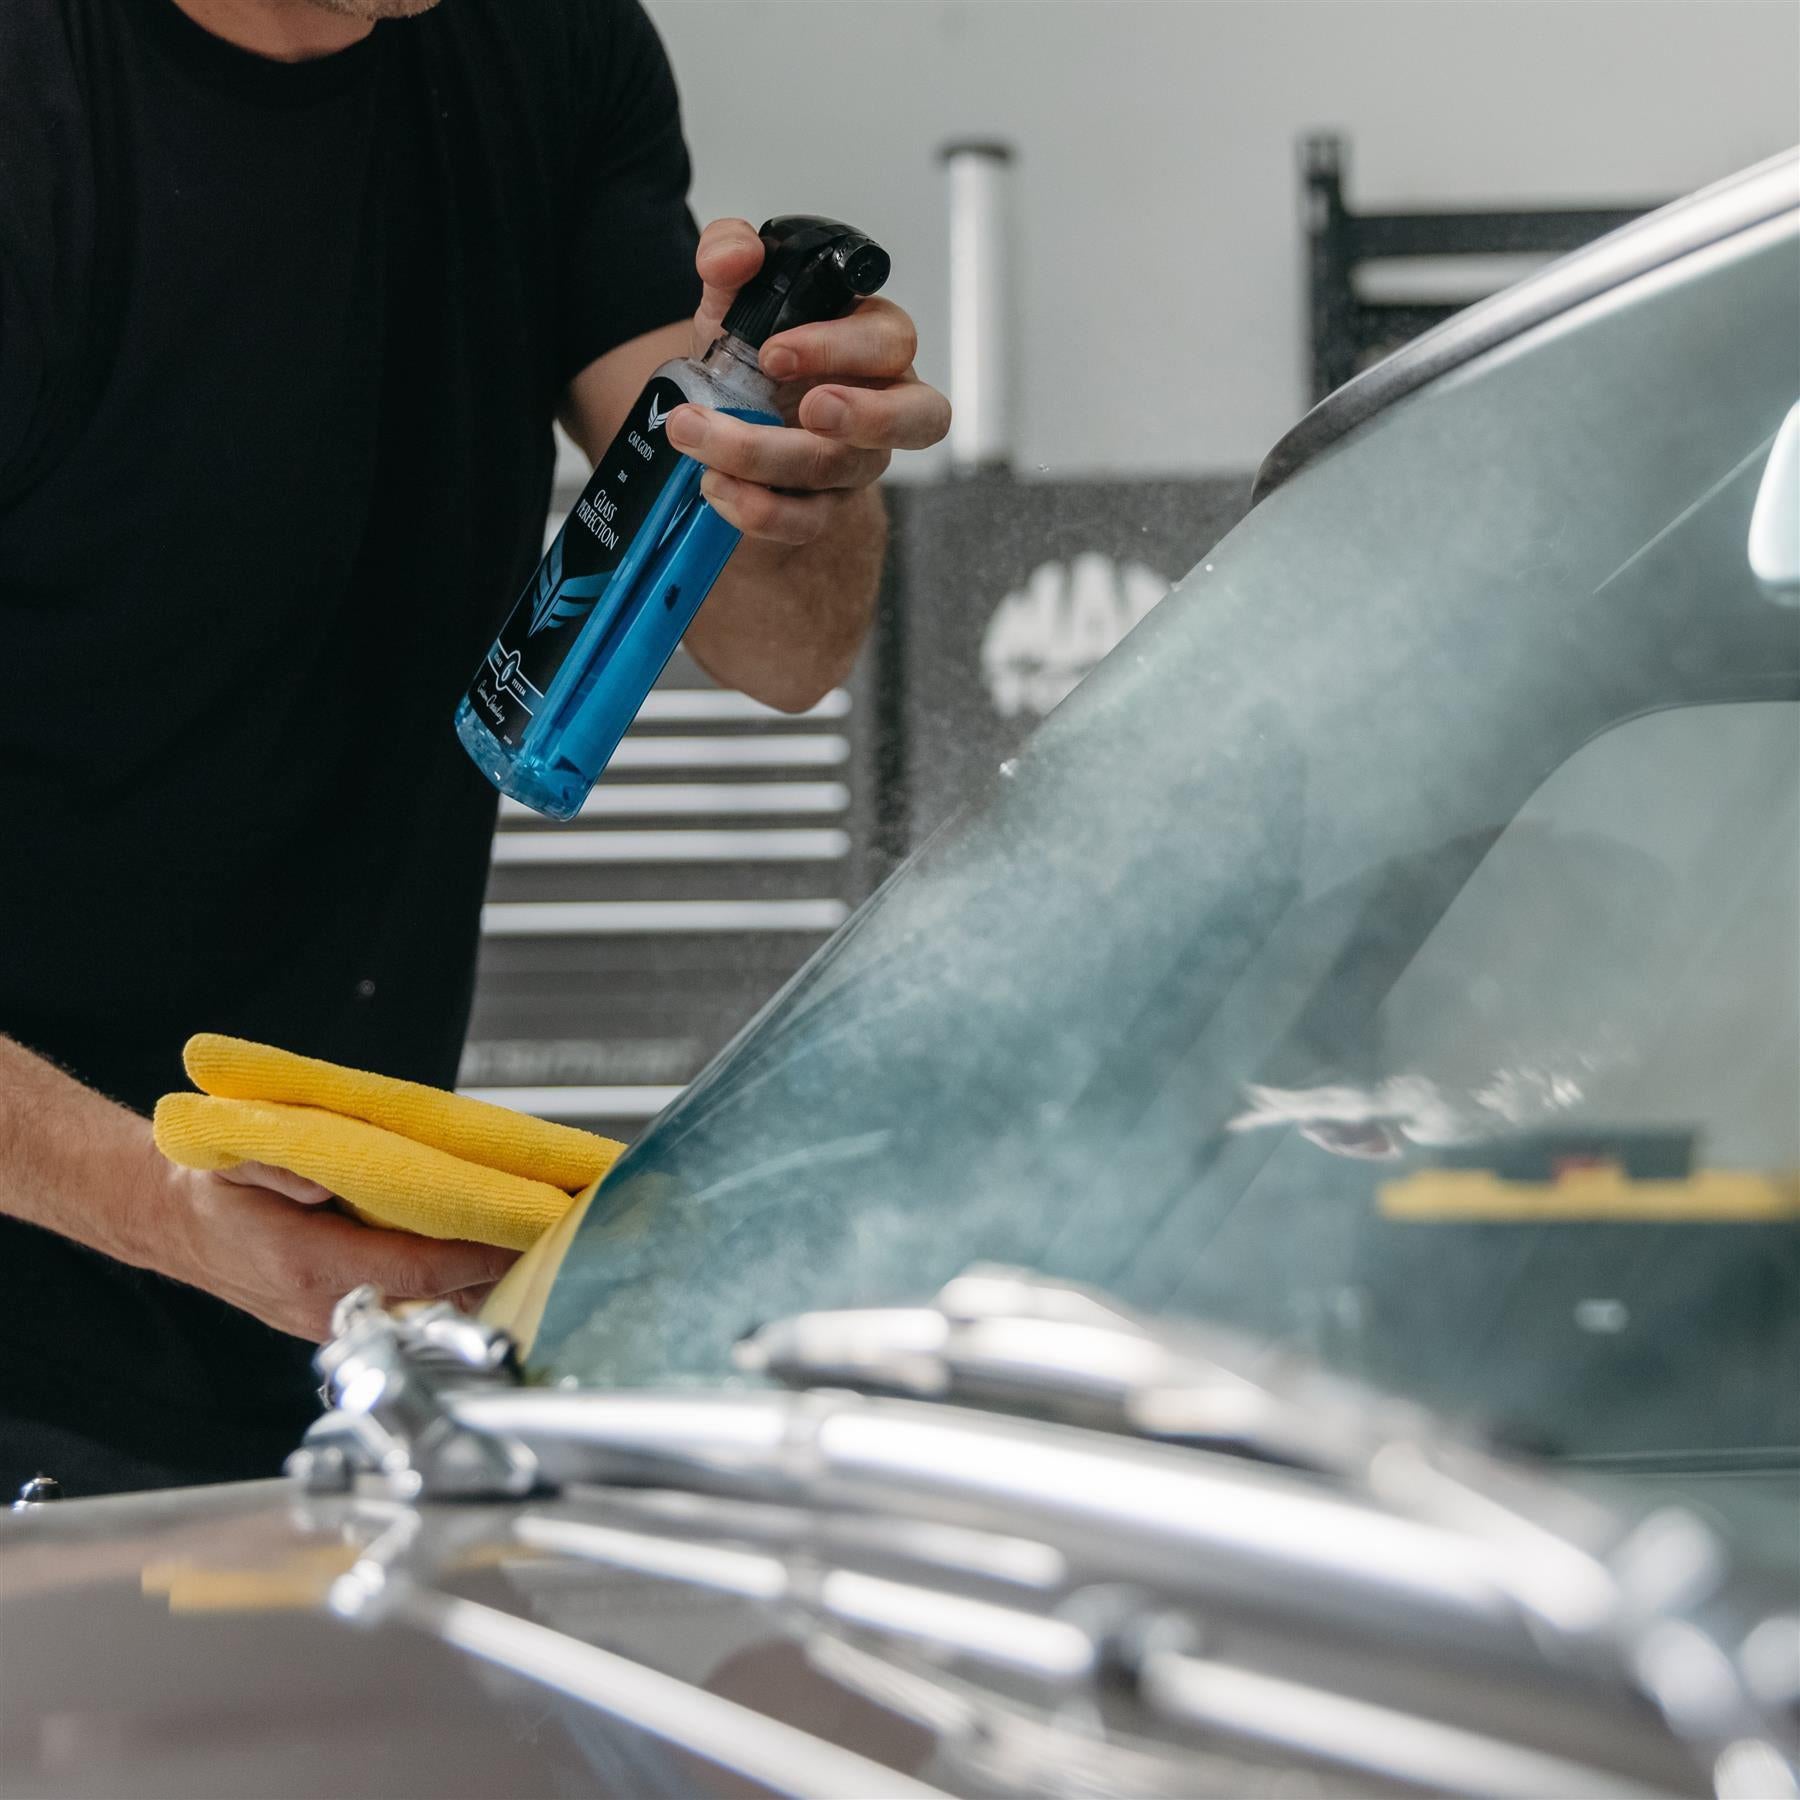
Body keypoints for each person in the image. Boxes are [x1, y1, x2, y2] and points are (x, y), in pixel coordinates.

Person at [0, 0, 950, 1496]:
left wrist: (806, 471)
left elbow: (782, 644)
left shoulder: (545, 48)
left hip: (322, 1317)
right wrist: (171, 1215)